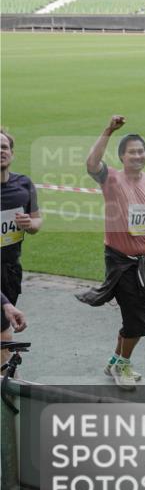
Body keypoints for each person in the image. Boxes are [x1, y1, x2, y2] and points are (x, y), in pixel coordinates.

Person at [76, 115, 145, 390]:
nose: (137, 155)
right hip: (120, 260)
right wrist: (108, 130)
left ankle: (115, 360)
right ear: (121, 156)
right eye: (132, 151)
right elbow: (91, 163)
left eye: (141, 151)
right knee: (138, 319)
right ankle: (122, 366)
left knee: (138, 314)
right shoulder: (110, 179)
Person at [1, 128, 41, 369]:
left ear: (12, 154)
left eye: (4, 147)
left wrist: (30, 224)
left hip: (11, 271)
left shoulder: (23, 184)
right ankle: (9, 385)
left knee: (4, 324)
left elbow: (36, 222)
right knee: (4, 330)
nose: (0, 151)